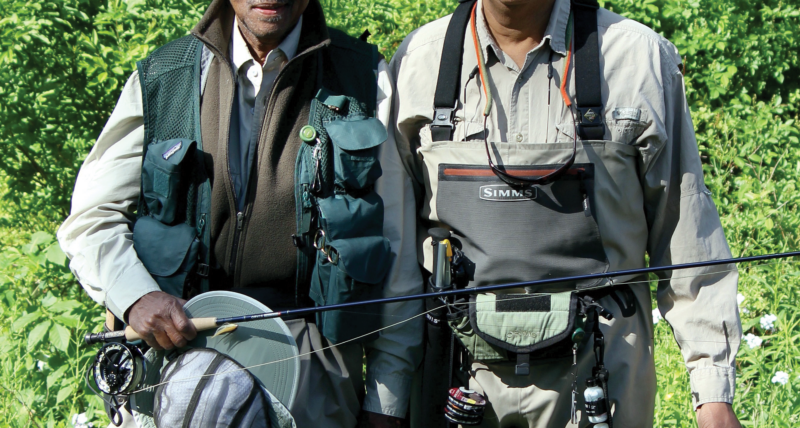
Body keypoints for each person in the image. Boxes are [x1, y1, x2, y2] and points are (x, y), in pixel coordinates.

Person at [57, 0, 423, 427]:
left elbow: (397, 254)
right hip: (174, 373)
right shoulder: (164, 76)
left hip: (314, 383)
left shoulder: (363, 77)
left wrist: (386, 403)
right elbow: (91, 218)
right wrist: (136, 296)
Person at [390, 0, 742, 427]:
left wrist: (713, 396)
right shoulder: (415, 62)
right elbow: (396, 252)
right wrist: (384, 399)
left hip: (602, 380)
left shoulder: (637, 57)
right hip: (455, 384)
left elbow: (686, 233)